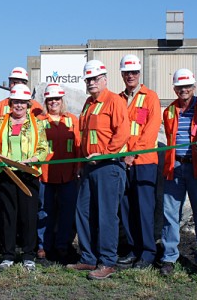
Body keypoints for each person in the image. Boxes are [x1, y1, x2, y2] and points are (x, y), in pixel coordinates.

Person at [67, 60, 130, 280]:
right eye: (88, 79)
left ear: (104, 79)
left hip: (109, 166)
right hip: (88, 168)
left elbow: (122, 133)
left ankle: (108, 261)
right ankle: (88, 258)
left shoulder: (115, 101)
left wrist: (105, 153)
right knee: (83, 212)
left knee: (106, 215)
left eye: (95, 79)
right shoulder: (88, 103)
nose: (91, 83)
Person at [160, 69, 197, 277]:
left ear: (194, 87)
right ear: (174, 88)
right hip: (174, 168)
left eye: (187, 86)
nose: (183, 90)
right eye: (179, 87)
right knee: (170, 214)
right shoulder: (169, 112)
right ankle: (169, 257)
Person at [0, 84, 48, 272]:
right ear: (10, 103)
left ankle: (28, 255)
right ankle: (8, 255)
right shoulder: (0, 123)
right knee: (8, 215)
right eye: (16, 102)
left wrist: (32, 160)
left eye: (23, 102)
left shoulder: (37, 124)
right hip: (6, 174)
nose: (19, 106)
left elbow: (43, 148)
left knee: (28, 216)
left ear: (28, 104)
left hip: (28, 174)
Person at [117, 54, 161, 269]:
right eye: (127, 72)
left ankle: (147, 253)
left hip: (143, 161)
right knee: (126, 208)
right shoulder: (117, 99)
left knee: (144, 208)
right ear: (122, 74)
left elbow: (150, 132)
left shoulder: (150, 97)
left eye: (134, 72)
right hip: (122, 163)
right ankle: (133, 250)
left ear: (139, 73)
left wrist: (132, 155)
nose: (130, 76)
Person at [36, 83, 80, 263]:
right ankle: (42, 248)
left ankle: (62, 246)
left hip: (67, 174)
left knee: (66, 212)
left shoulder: (72, 120)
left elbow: (78, 145)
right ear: (46, 101)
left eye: (57, 99)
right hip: (45, 175)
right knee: (44, 212)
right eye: (50, 99)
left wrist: (78, 168)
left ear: (62, 100)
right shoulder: (39, 121)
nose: (54, 102)